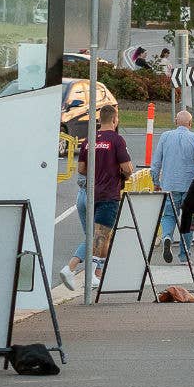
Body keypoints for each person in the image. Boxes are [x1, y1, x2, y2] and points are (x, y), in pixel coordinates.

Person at [62, 103, 133, 290]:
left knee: (94, 236)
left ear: (99, 120)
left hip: (88, 193)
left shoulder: (89, 140)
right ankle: (79, 270)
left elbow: (82, 169)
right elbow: (128, 169)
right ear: (115, 119)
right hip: (108, 194)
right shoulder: (117, 140)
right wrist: (122, 173)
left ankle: (94, 273)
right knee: (101, 236)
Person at [151, 110, 194, 265]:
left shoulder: (165, 137)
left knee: (168, 215)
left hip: (169, 184)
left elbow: (156, 164)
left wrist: (156, 182)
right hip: (189, 185)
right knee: (187, 219)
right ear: (190, 123)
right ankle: (184, 255)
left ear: (176, 122)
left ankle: (167, 236)